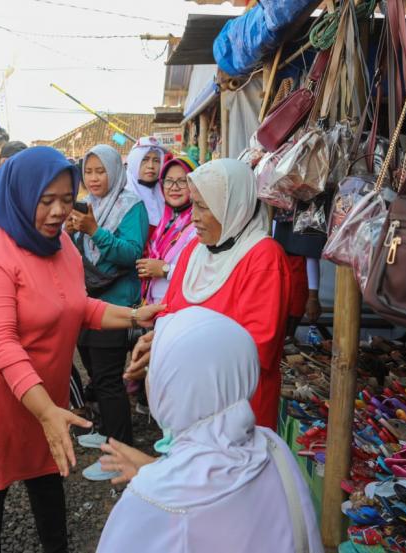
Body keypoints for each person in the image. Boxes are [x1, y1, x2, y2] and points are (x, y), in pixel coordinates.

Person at [0, 146, 163, 553]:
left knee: (48, 470)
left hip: (41, 382)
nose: (58, 211)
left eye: (67, 199)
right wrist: (46, 410)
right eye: (46, 201)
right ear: (21, 194)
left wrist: (136, 316)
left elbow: (78, 305)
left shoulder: (61, 243)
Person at [96, 307, 324, 553]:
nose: (150, 380)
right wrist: (155, 470)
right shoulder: (273, 446)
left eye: (155, 371)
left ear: (177, 389)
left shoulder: (153, 499)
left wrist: (152, 481)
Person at [126, 159, 291, 430]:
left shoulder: (264, 257)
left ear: (233, 207)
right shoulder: (194, 251)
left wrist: (176, 348)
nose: (194, 217)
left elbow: (256, 347)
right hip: (189, 402)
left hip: (238, 412)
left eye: (204, 207)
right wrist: (157, 341)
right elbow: (171, 313)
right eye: (194, 205)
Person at [66, 144, 148, 481]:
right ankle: (106, 431)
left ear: (115, 171)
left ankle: (121, 451)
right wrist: (75, 233)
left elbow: (131, 254)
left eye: (101, 171)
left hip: (116, 303)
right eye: (89, 171)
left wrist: (93, 231)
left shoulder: (132, 205)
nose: (95, 178)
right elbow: (80, 255)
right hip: (88, 300)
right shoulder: (91, 205)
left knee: (108, 379)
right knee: (95, 373)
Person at [136, 155, 198, 305]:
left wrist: (165, 270)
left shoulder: (199, 225)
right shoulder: (166, 224)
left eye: (183, 181)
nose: (174, 187)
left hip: (181, 309)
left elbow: (202, 273)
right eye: (169, 181)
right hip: (158, 308)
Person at [125, 136, 168, 227]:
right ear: (134, 162)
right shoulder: (123, 197)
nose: (151, 166)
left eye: (156, 160)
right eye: (145, 159)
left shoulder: (166, 193)